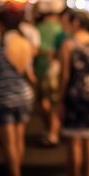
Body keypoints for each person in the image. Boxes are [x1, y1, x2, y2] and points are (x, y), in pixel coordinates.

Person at [0, 5, 36, 176]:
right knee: (18, 139)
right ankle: (16, 169)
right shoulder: (24, 45)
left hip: (2, 97)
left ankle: (14, 171)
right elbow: (29, 74)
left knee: (8, 142)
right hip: (24, 95)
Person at [59, 12, 89, 176]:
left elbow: (65, 74)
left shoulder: (68, 44)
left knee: (74, 141)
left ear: (77, 23)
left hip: (73, 92)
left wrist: (60, 98)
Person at [36, 11, 63, 147]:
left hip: (40, 70)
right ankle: (53, 132)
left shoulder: (39, 27)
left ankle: (51, 131)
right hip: (55, 71)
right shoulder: (60, 28)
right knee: (53, 103)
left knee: (44, 102)